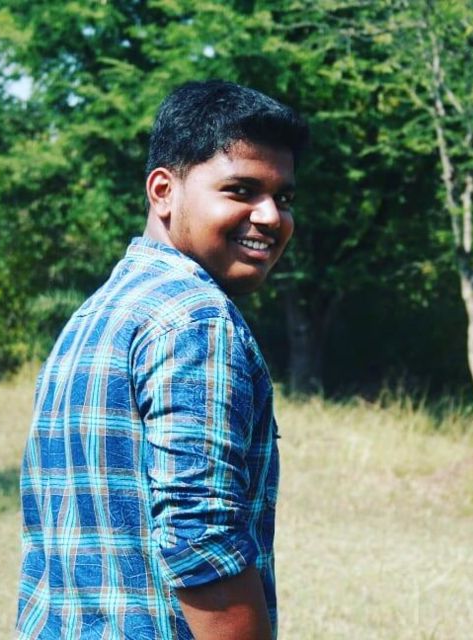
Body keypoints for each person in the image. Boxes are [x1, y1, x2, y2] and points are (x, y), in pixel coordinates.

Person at [16, 79, 308, 640]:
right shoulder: (197, 319)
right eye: (242, 190)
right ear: (163, 191)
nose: (271, 217)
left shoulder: (97, 313)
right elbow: (201, 539)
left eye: (284, 198)